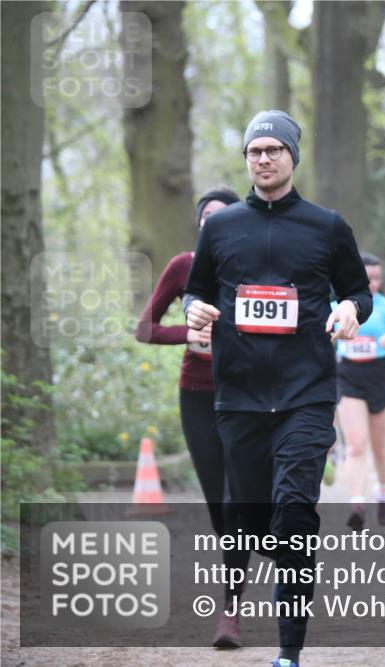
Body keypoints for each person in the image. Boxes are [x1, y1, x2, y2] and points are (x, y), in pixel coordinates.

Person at [184, 109, 372, 667]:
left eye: (273, 150)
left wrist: (346, 308)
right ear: (246, 160)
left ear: (292, 156)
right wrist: (196, 311)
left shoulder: (327, 226)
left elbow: (358, 292)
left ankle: (289, 650)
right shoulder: (220, 228)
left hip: (306, 394)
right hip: (238, 396)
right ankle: (248, 594)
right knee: (248, 518)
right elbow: (193, 292)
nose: (263, 159)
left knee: (294, 512)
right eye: (253, 151)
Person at [134, 186, 250, 649]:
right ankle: (235, 586)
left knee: (239, 501)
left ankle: (230, 613)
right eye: (208, 219)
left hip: (249, 397)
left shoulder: (254, 266)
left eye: (224, 217)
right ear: (201, 225)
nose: (214, 225)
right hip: (198, 395)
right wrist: (191, 332)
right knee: (221, 509)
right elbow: (144, 328)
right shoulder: (184, 267)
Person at [333, 252, 385, 530]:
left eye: (378, 278)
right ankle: (357, 502)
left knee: (380, 447)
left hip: (379, 375)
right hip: (348, 375)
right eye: (368, 278)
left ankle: (382, 493)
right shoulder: (338, 305)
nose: (374, 283)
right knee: (355, 444)